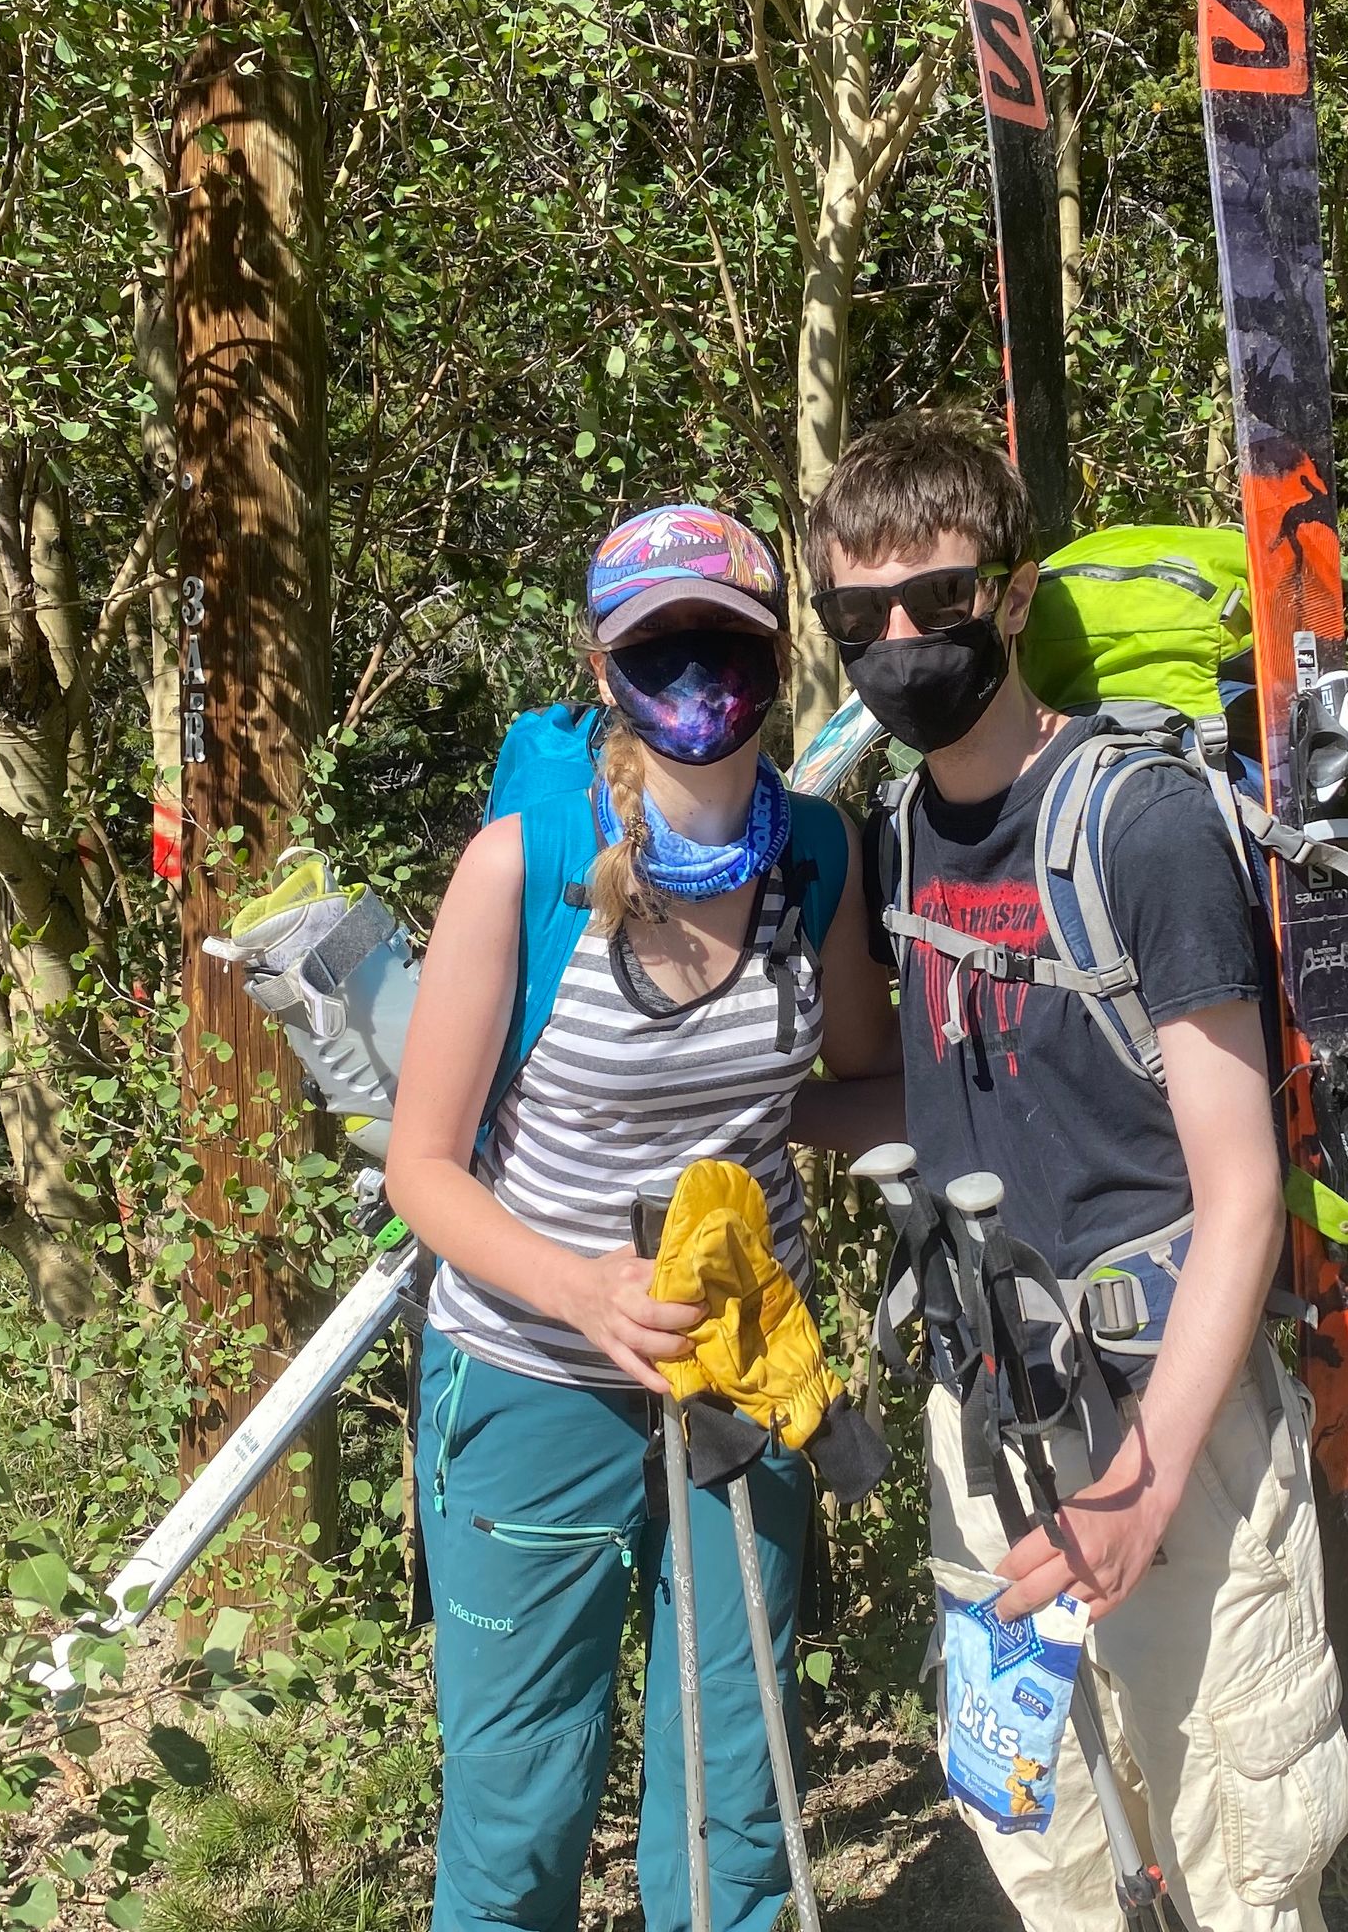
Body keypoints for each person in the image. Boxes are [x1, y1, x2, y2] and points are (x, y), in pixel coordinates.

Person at [805, 413, 1348, 1932]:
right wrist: (746, 1119)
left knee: (1242, 1862)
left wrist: (1140, 1479)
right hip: (982, 1419)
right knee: (1046, 1858)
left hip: (1163, 1433)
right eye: (861, 619)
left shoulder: (1141, 825)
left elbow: (1236, 1185)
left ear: (1019, 592)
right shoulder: (901, 834)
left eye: (940, 602)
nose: (903, 642)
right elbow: (916, 1098)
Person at [386, 503, 898, 1932]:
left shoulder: (816, 855)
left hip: (745, 1370)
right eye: (656, 647)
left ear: (778, 657)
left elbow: (856, 1085)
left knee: (734, 1803)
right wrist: (586, 1292)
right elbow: (423, 1170)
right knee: (521, 1807)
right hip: (533, 1378)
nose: (696, 680)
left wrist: (1032, 1090)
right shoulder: (522, 863)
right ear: (604, 667)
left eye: (725, 643)